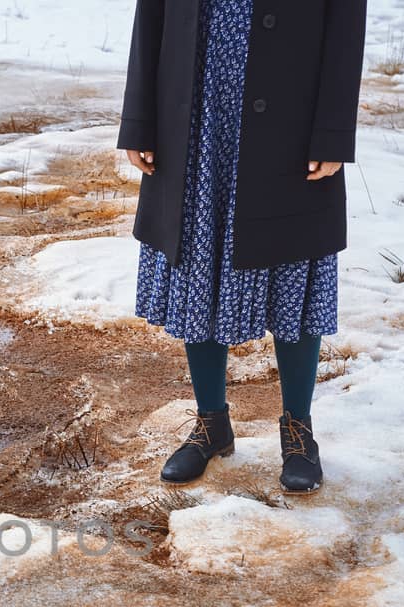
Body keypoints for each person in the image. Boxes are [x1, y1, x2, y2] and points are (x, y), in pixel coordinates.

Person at [118, 0, 368, 492]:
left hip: (291, 128)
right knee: (198, 268)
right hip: (193, 124)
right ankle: (212, 423)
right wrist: (140, 122)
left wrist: (332, 133)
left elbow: (345, 25)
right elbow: (152, 17)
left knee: (292, 266)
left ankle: (298, 431)